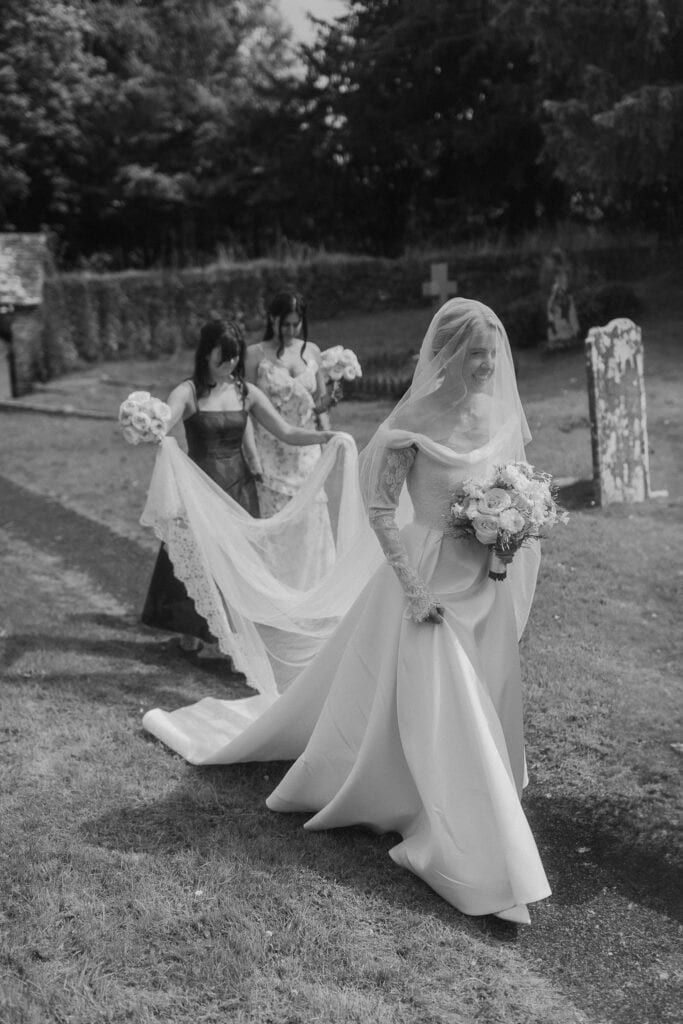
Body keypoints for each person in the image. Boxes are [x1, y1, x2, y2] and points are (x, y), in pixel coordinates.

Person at [142, 298, 550, 927]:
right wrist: (413, 588)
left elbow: (512, 483)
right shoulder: (412, 420)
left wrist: (509, 534)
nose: (488, 364)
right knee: (445, 693)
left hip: (483, 579)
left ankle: (475, 794)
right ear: (446, 355)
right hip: (424, 581)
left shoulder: (499, 416)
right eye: (475, 353)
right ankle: (474, 846)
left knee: (481, 686)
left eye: (492, 353)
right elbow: (384, 510)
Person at [141, 317, 335, 658]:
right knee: (198, 559)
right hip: (200, 487)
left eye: (235, 356)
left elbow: (285, 431)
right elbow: (165, 422)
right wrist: (148, 424)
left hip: (238, 489)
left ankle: (234, 635)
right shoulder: (188, 392)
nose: (230, 363)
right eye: (224, 355)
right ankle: (191, 631)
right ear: (205, 353)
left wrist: (327, 436)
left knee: (237, 564)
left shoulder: (246, 392)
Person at [244, 291, 336, 588]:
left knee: (311, 525)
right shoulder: (255, 354)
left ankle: (313, 591)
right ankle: (280, 592)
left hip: (307, 453)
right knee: (279, 529)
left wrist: (328, 440)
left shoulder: (312, 352)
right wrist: (253, 455)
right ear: (273, 319)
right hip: (271, 450)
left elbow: (319, 405)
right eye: (286, 324)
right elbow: (244, 406)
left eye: (296, 324)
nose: (291, 331)